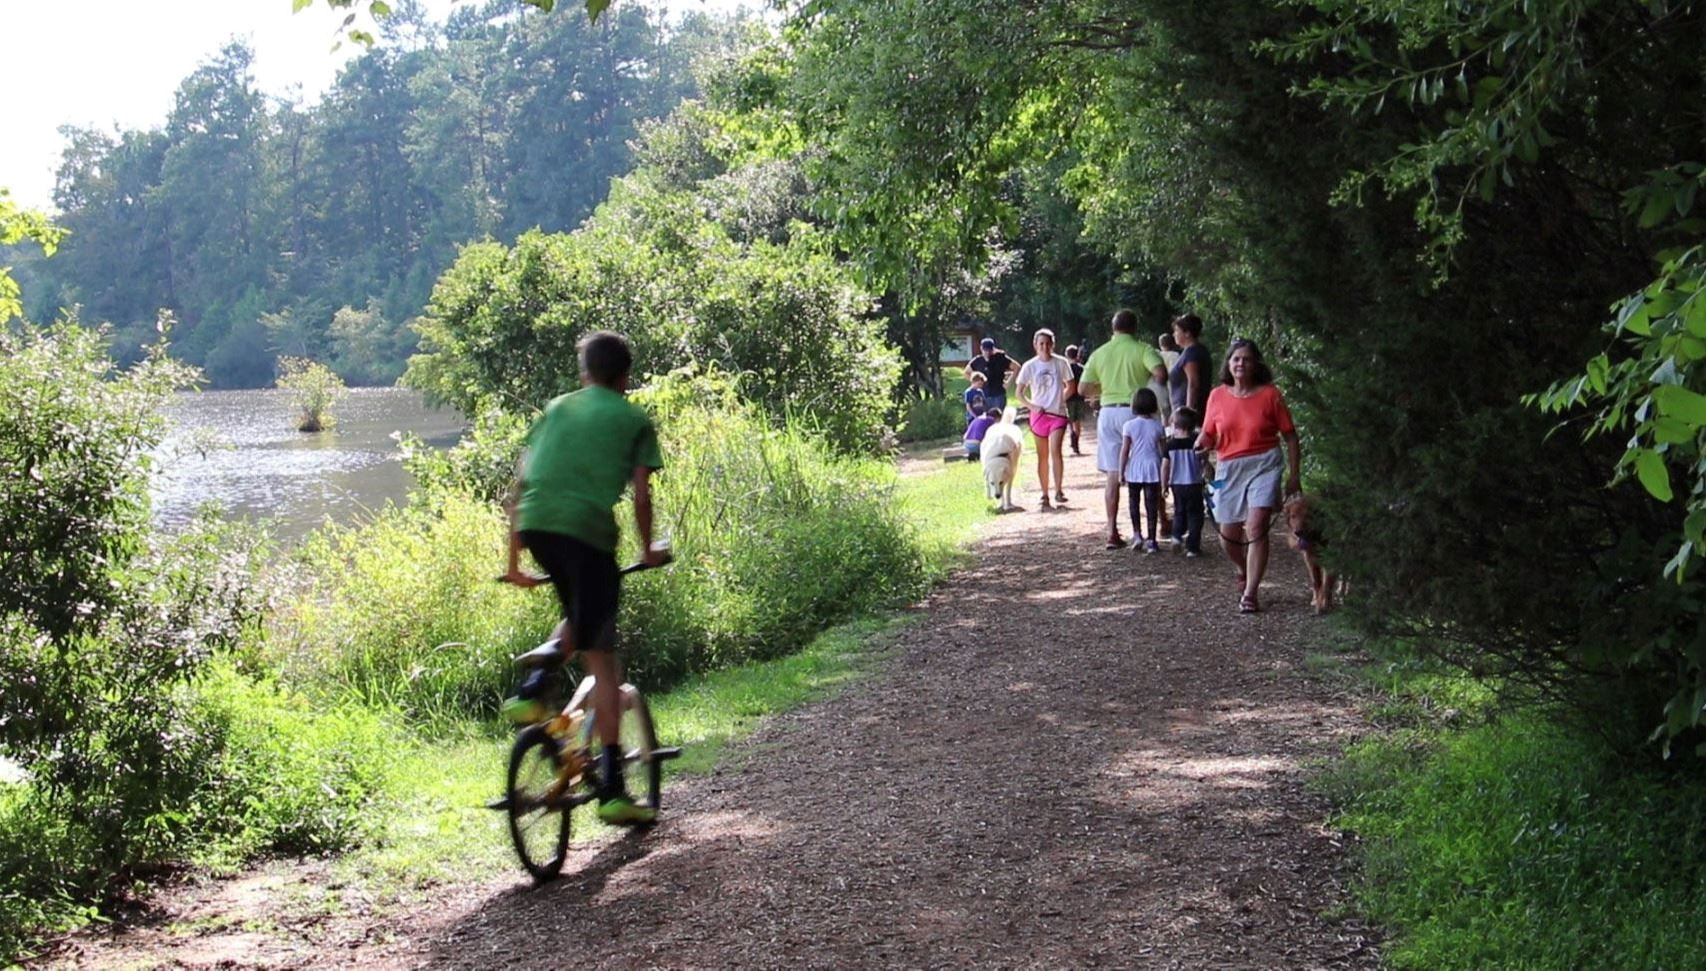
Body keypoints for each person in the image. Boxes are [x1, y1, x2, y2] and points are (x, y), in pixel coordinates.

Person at [500, 330, 667, 825]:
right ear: (626, 377)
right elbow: (640, 496)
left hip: (536, 527)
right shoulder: (634, 417)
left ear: (585, 373)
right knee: (604, 668)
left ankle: (541, 679)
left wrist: (514, 567)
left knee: (580, 613)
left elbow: (518, 489)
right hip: (588, 533)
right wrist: (648, 549)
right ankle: (613, 789)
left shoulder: (555, 409)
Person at [1195, 338, 1301, 615]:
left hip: (1265, 463)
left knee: (1255, 527)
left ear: (1255, 365)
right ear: (1228, 364)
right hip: (1229, 466)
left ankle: (1251, 593)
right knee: (1228, 535)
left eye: (1246, 359)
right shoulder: (1217, 395)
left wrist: (1294, 475)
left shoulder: (1270, 395)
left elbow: (1290, 436)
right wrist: (1201, 443)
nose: (1241, 363)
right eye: (1236, 359)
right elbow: (1209, 432)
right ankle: (1242, 568)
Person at [1077, 309, 1166, 549]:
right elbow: (1160, 373)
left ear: (1113, 328)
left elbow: (1082, 389)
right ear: (1135, 328)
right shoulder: (1143, 349)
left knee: (1113, 474)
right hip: (1137, 412)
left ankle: (1111, 531)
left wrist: (1104, 390)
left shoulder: (1099, 353)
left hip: (1108, 413)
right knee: (1150, 465)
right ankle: (1162, 522)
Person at [1015, 328, 1075, 509]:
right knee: (1042, 456)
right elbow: (1019, 393)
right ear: (1035, 345)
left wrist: (1059, 400)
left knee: (1055, 450)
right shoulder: (1029, 366)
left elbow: (1071, 386)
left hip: (1058, 415)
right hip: (1038, 416)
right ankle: (1044, 494)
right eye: (1041, 343)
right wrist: (1032, 406)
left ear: (1053, 345)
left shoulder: (1061, 363)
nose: (1045, 347)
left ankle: (1058, 490)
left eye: (1048, 343)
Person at [1118, 387, 1167, 553]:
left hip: (1135, 468)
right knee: (1151, 504)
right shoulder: (1158, 426)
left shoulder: (1129, 426)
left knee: (1134, 502)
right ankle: (1152, 540)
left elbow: (1125, 450)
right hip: (1153, 467)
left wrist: (1121, 472)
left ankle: (1137, 534)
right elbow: (1163, 451)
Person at [1163, 406, 1206, 557]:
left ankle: (1176, 537)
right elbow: (1203, 463)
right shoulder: (1196, 444)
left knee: (1179, 511)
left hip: (1177, 484)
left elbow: (1165, 467)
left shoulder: (1170, 445)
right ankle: (1192, 547)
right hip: (1194, 483)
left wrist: (1164, 485)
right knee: (1196, 514)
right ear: (1193, 427)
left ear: (1175, 425)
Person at [1168, 313, 1213, 418]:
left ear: (1187, 333)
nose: (1174, 334)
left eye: (1177, 331)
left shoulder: (1192, 353)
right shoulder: (1195, 351)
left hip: (1187, 414)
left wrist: (1188, 413)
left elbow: (1193, 384)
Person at [965, 337, 1016, 414]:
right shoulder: (978, 360)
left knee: (999, 420)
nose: (988, 352)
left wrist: (1008, 382)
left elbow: (1017, 367)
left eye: (990, 350)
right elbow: (966, 372)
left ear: (993, 349)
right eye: (985, 350)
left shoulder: (1000, 358)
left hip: (998, 394)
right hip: (984, 395)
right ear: (981, 349)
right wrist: (975, 383)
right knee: (985, 419)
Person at [1064, 344, 1088, 456]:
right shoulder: (1082, 369)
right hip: (1079, 397)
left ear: (1066, 355)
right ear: (1077, 354)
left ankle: (1073, 441)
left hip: (1068, 398)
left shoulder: (1066, 370)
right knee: (1077, 422)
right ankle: (1075, 443)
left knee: (1071, 421)